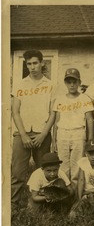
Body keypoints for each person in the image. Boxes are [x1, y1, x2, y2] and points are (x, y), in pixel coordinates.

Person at [11, 50, 56, 206]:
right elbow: (15, 111)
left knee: (44, 171)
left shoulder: (50, 85)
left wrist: (43, 134)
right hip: (22, 133)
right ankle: (13, 205)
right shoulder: (19, 84)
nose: (32, 67)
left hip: (41, 133)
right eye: (29, 63)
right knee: (17, 172)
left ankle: (45, 203)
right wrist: (23, 135)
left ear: (42, 63)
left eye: (35, 63)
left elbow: (53, 114)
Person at [53, 68, 94, 185]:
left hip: (78, 133)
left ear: (79, 82)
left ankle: (76, 194)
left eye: (74, 82)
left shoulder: (85, 99)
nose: (72, 85)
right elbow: (56, 121)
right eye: (69, 82)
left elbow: (89, 120)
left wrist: (90, 140)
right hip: (62, 133)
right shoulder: (60, 99)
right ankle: (64, 192)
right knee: (63, 165)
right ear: (65, 83)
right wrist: (54, 140)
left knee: (77, 165)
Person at [70, 139, 94, 218]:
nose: (93, 157)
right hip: (85, 193)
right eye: (90, 154)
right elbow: (81, 181)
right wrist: (80, 197)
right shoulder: (83, 162)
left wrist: (88, 192)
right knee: (73, 215)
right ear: (86, 154)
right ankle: (87, 212)